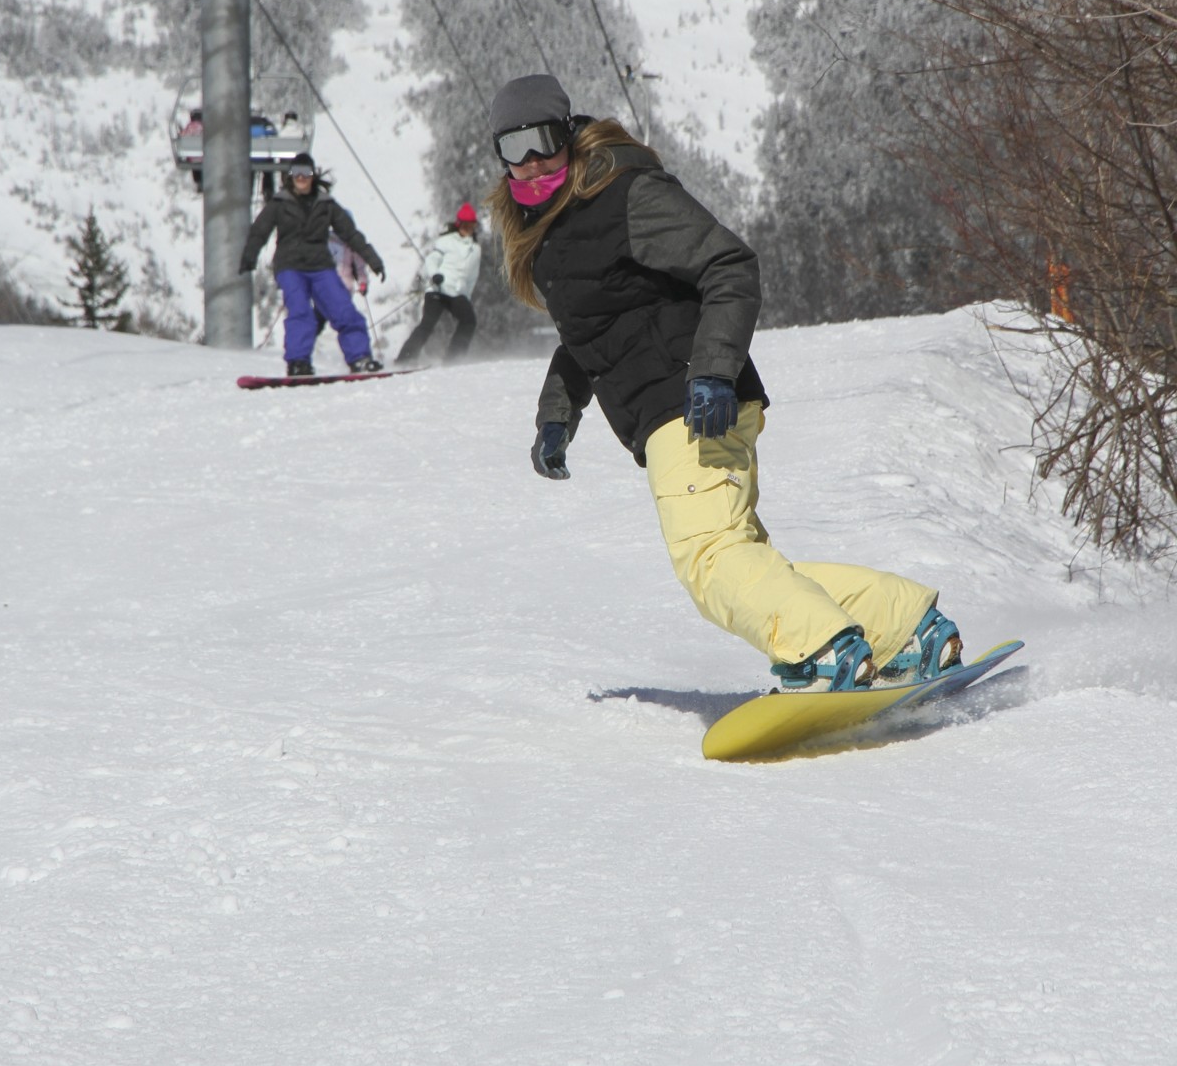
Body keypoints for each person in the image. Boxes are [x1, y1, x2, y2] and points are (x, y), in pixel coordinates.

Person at [486, 74, 964, 692]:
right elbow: (588, 333)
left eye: (543, 141)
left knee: (711, 562)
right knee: (746, 560)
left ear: (570, 135)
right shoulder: (553, 230)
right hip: (680, 405)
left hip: (690, 402)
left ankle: (821, 651)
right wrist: (557, 415)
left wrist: (711, 372)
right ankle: (907, 629)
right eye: (513, 149)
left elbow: (729, 264)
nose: (530, 163)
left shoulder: (623, 193)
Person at [239, 153, 386, 377]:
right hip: (290, 265)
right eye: (296, 172)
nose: (301, 177)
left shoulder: (325, 204)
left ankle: (360, 358)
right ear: (290, 176)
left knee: (343, 309)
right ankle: (298, 362)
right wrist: (249, 257)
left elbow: (351, 234)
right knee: (301, 312)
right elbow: (260, 231)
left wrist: (373, 260)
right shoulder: (279, 203)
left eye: (306, 172)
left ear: (313, 175)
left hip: (320, 265)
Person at [394, 203, 482, 365]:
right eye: (464, 225)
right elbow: (431, 260)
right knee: (428, 323)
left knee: (469, 320)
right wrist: (435, 275)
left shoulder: (475, 249)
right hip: (438, 289)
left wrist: (467, 295)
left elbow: (472, 276)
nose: (467, 229)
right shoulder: (446, 241)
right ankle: (404, 359)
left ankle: (454, 358)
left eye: (471, 225)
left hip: (457, 292)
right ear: (458, 224)